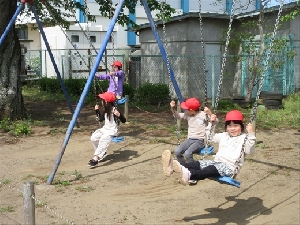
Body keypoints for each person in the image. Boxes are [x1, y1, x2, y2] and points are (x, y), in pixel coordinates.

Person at [162, 110, 256, 185]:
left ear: (242, 127)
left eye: (236, 126)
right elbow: (210, 138)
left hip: (229, 167)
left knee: (210, 168)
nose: (233, 129)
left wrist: (251, 134)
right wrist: (211, 124)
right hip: (216, 162)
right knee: (197, 164)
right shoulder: (224, 135)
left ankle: (190, 175)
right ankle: (172, 167)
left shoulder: (244, 138)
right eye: (229, 126)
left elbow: (250, 150)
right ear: (226, 127)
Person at [169, 98, 217, 166]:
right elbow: (178, 116)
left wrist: (209, 113)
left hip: (199, 141)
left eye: (187, 109)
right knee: (177, 151)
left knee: (188, 153)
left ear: (191, 110)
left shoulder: (203, 115)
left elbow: (215, 121)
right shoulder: (187, 114)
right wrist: (172, 108)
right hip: (190, 140)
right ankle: (183, 166)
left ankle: (193, 168)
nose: (185, 110)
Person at [88, 91, 126, 167]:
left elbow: (124, 120)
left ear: (106, 101)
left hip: (112, 130)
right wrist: (97, 111)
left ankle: (96, 158)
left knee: (103, 139)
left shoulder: (115, 109)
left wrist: (119, 115)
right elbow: (101, 119)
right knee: (93, 138)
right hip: (105, 129)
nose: (101, 101)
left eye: (103, 100)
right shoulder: (106, 109)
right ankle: (103, 153)